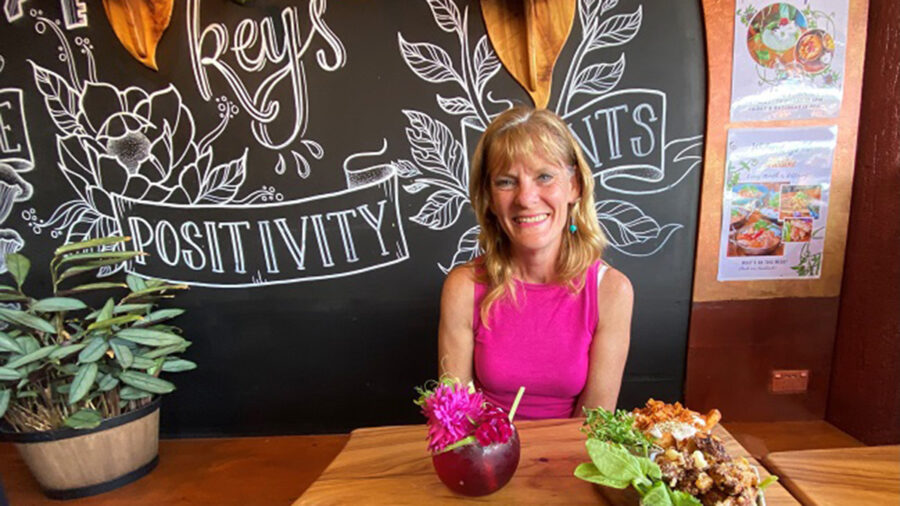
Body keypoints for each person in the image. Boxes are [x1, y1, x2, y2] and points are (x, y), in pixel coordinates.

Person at [438, 106, 633, 419]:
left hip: (572, 460)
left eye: (544, 176)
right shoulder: (463, 287)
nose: (525, 198)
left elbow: (593, 426)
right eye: (506, 182)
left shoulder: (612, 291)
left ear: (575, 187)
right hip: (486, 458)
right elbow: (456, 420)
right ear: (488, 198)